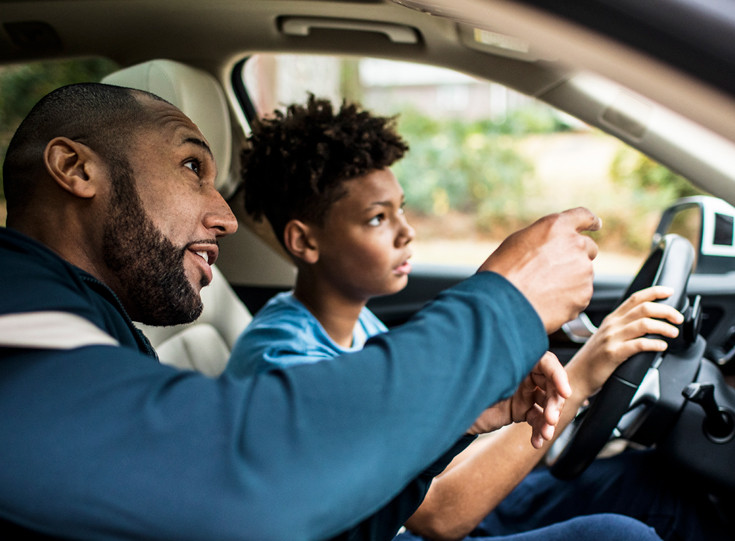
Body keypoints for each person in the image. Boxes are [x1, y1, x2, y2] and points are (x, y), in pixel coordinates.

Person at [0, 82, 655, 541]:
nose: (225, 216)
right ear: (74, 168)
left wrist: (455, 418)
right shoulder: (15, 307)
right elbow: (243, 481)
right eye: (191, 166)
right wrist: (503, 303)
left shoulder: (99, 329)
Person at [227, 95, 726, 541]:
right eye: (378, 218)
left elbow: (435, 456)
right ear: (304, 241)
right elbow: (438, 515)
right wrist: (583, 375)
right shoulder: (285, 361)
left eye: (401, 210)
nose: (407, 233)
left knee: (652, 483)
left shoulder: (355, 325)